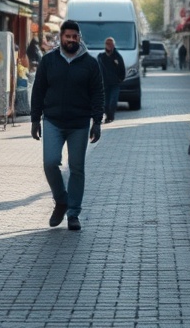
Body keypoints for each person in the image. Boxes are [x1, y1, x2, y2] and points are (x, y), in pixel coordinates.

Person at [30, 19, 104, 231]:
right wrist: (35, 119)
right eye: (67, 36)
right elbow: (39, 90)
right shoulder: (49, 61)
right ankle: (62, 199)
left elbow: (98, 94)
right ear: (60, 37)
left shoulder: (90, 64)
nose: (71, 40)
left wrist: (97, 121)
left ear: (79, 38)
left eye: (74, 36)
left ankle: (73, 214)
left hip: (79, 123)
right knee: (50, 163)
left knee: (77, 168)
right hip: (53, 120)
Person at [97, 36, 125, 123]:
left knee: (112, 102)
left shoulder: (117, 56)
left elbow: (122, 69)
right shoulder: (101, 57)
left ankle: (111, 116)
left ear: (113, 45)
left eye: (111, 44)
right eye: (107, 44)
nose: (109, 45)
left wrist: (120, 79)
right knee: (105, 103)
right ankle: (108, 116)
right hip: (104, 84)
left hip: (115, 84)